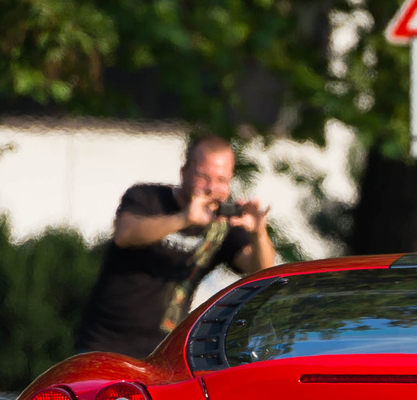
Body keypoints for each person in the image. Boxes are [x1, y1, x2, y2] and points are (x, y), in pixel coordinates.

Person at [74, 135, 275, 359]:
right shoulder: (147, 197)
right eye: (203, 176)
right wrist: (183, 219)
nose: (211, 188)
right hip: (105, 343)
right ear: (184, 172)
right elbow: (125, 234)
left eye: (221, 180)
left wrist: (258, 233)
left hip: (165, 353)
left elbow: (262, 271)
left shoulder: (225, 225)